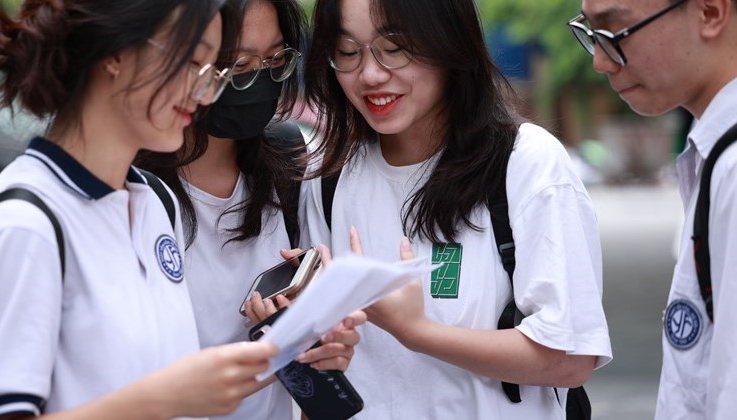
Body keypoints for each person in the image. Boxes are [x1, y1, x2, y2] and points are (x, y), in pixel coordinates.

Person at [0, 1, 281, 419]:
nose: (204, 92)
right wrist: (163, 399)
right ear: (117, 54)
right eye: (193, 63)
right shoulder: (26, 224)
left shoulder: (155, 203)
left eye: (213, 71)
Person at [298, 0, 613, 418]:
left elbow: (570, 358)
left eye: (394, 49)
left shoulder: (525, 162)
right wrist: (302, 328)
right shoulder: (327, 179)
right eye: (348, 52)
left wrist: (416, 331)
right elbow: (324, 372)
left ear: (449, 43)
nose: (370, 75)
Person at [135, 0, 364, 419]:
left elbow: (296, 377)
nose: (259, 80)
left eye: (275, 60)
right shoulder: (132, 194)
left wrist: (309, 343)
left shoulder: (288, 164)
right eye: (239, 65)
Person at [569, 0, 737, 418]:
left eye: (614, 31)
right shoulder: (715, 154)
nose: (601, 63)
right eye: (590, 33)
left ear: (710, 12)